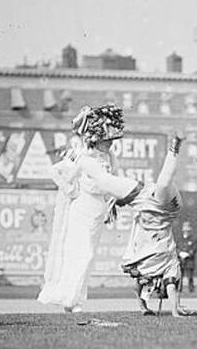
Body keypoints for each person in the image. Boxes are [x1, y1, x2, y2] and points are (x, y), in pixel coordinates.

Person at [37, 104, 142, 319]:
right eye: (107, 139)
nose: (111, 143)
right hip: (82, 208)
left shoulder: (111, 158)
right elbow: (56, 171)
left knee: (89, 256)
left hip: (98, 211)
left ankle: (75, 299)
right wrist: (72, 191)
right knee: (81, 254)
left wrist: (112, 203)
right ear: (98, 138)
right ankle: (70, 300)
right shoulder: (83, 155)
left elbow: (113, 181)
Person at [120, 135, 190, 318]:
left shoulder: (148, 265)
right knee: (162, 185)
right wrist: (174, 310)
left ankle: (174, 148)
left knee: (162, 185)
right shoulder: (168, 265)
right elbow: (171, 285)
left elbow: (141, 284)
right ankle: (174, 148)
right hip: (162, 208)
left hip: (157, 205)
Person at [177, 220, 197, 293]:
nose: (186, 231)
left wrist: (188, 254)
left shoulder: (193, 239)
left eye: (188, 230)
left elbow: (194, 249)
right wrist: (179, 253)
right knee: (180, 276)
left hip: (189, 261)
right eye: (185, 229)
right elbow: (176, 248)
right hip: (180, 260)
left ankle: (191, 289)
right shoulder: (179, 238)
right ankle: (179, 289)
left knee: (190, 277)